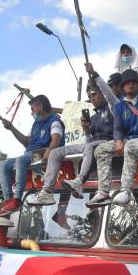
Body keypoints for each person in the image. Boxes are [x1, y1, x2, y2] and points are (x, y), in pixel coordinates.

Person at [31, 65, 115, 205]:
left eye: (94, 94)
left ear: (102, 93)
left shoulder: (113, 107)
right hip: (92, 144)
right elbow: (89, 140)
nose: (92, 98)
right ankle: (47, 191)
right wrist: (86, 129)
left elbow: (109, 95)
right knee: (55, 152)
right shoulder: (94, 117)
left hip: (108, 142)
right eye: (89, 96)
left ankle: (79, 181)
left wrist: (94, 74)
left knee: (89, 148)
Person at [87, 70, 138, 207]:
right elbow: (117, 128)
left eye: (133, 82)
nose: (130, 85)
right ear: (122, 87)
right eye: (127, 83)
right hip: (128, 139)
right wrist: (118, 141)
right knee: (100, 149)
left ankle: (125, 191)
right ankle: (103, 191)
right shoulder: (119, 106)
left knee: (130, 146)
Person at [0, 95, 65, 214]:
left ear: (40, 107)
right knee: (3, 164)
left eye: (32, 109)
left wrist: (49, 151)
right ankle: (8, 200)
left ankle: (17, 199)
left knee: (20, 160)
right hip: (30, 153)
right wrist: (11, 128)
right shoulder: (36, 124)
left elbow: (56, 139)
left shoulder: (54, 121)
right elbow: (26, 141)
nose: (31, 112)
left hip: (43, 152)